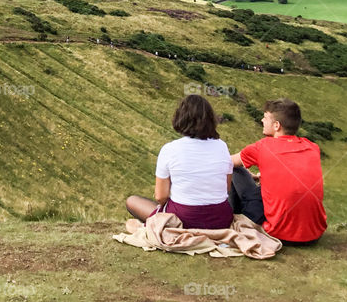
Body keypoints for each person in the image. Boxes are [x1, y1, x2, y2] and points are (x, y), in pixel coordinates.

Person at [126, 95, 233, 231]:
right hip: (220, 219)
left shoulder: (170, 149)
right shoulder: (222, 146)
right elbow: (227, 188)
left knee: (132, 201)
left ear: (181, 118)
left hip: (184, 219)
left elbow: (160, 196)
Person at [230, 98, 327, 244]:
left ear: (276, 125)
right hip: (314, 234)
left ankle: (234, 216)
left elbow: (226, 161)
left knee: (236, 170)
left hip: (279, 233)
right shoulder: (312, 147)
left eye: (266, 117)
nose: (262, 120)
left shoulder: (263, 146)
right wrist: (263, 176)